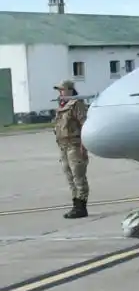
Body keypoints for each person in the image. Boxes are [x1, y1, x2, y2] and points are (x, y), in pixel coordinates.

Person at [53, 79, 90, 219]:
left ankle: (81, 206)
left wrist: (84, 146)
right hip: (63, 146)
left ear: (69, 90)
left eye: (62, 90)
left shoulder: (76, 104)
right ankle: (75, 204)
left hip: (74, 145)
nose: (60, 93)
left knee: (78, 176)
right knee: (70, 177)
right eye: (59, 90)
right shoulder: (61, 106)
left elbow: (84, 125)